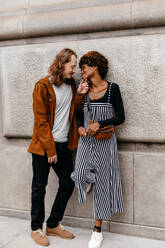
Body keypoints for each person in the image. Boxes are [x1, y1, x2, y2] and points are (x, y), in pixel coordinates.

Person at [71, 51, 125, 248]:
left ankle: (97, 231)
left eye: (85, 65)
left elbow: (120, 117)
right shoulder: (83, 90)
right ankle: (89, 179)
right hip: (86, 141)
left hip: (105, 142)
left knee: (103, 185)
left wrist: (100, 123)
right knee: (80, 174)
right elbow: (77, 114)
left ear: (95, 67)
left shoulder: (112, 89)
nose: (81, 69)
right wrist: (80, 126)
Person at [28, 48, 80, 246]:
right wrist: (50, 150)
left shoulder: (71, 84)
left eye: (75, 67)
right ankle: (36, 228)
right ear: (62, 63)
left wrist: (80, 96)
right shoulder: (42, 86)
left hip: (63, 144)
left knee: (68, 182)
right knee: (39, 187)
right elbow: (40, 121)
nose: (74, 70)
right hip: (43, 146)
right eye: (72, 66)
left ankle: (52, 224)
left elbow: (71, 110)